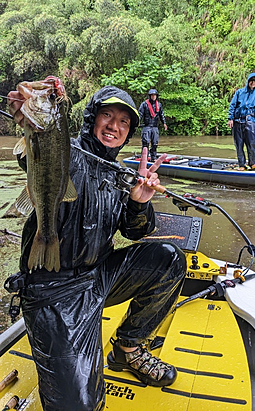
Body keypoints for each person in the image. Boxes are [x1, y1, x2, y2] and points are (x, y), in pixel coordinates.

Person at [6, 84, 186, 411]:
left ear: (129, 132)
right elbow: (28, 152)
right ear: (92, 118)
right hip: (51, 292)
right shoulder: (66, 149)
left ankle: (127, 348)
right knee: (81, 406)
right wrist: (27, 115)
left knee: (169, 260)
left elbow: (135, 232)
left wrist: (138, 203)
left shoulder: (120, 175)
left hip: (98, 277)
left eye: (123, 122)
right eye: (107, 115)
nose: (114, 126)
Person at [228, 73, 255, 170]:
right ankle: (242, 165)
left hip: (250, 122)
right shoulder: (239, 92)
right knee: (239, 144)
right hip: (237, 121)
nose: (253, 83)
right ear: (248, 81)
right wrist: (230, 118)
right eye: (251, 81)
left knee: (251, 143)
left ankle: (253, 163)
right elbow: (232, 106)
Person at [138, 88, 167, 162]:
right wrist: (137, 122)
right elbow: (140, 114)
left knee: (155, 143)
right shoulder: (144, 104)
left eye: (155, 95)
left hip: (154, 126)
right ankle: (144, 158)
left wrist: (164, 123)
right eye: (152, 95)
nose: (153, 97)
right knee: (146, 142)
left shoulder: (159, 105)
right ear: (149, 96)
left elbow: (161, 115)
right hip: (146, 126)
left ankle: (153, 157)